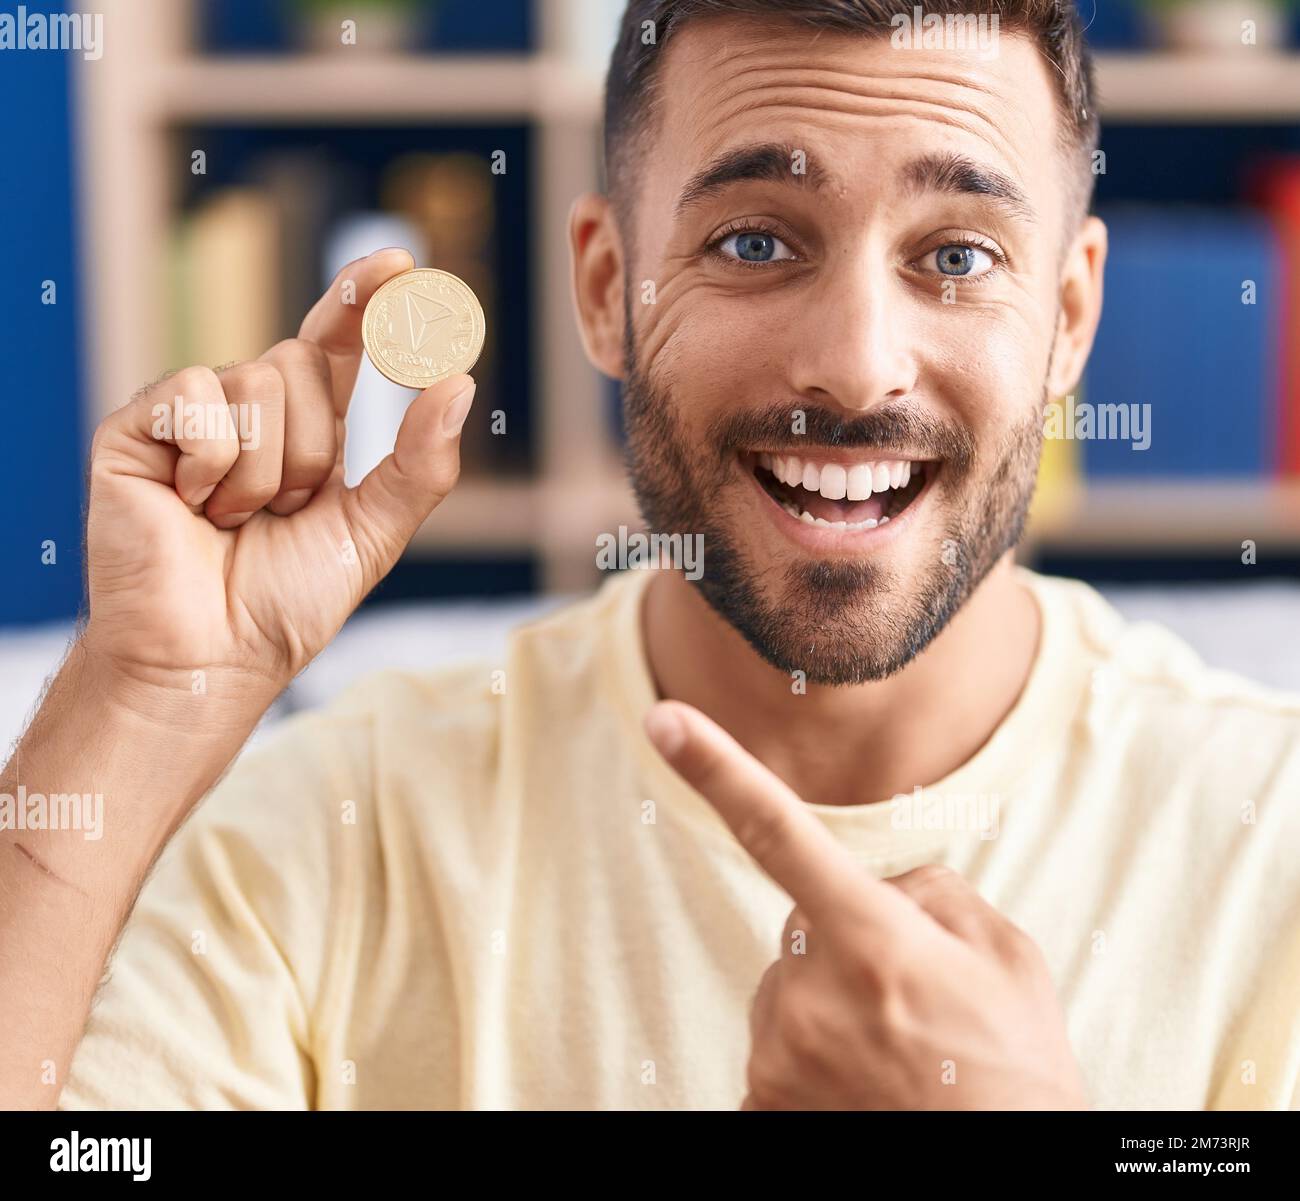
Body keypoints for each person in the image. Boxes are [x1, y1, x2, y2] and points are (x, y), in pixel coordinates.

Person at [4, 0, 1298, 1110]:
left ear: (1068, 320)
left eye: (955, 256)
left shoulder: (1271, 842)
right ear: (605, 287)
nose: (853, 363)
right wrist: (140, 696)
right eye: (754, 241)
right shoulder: (334, 835)